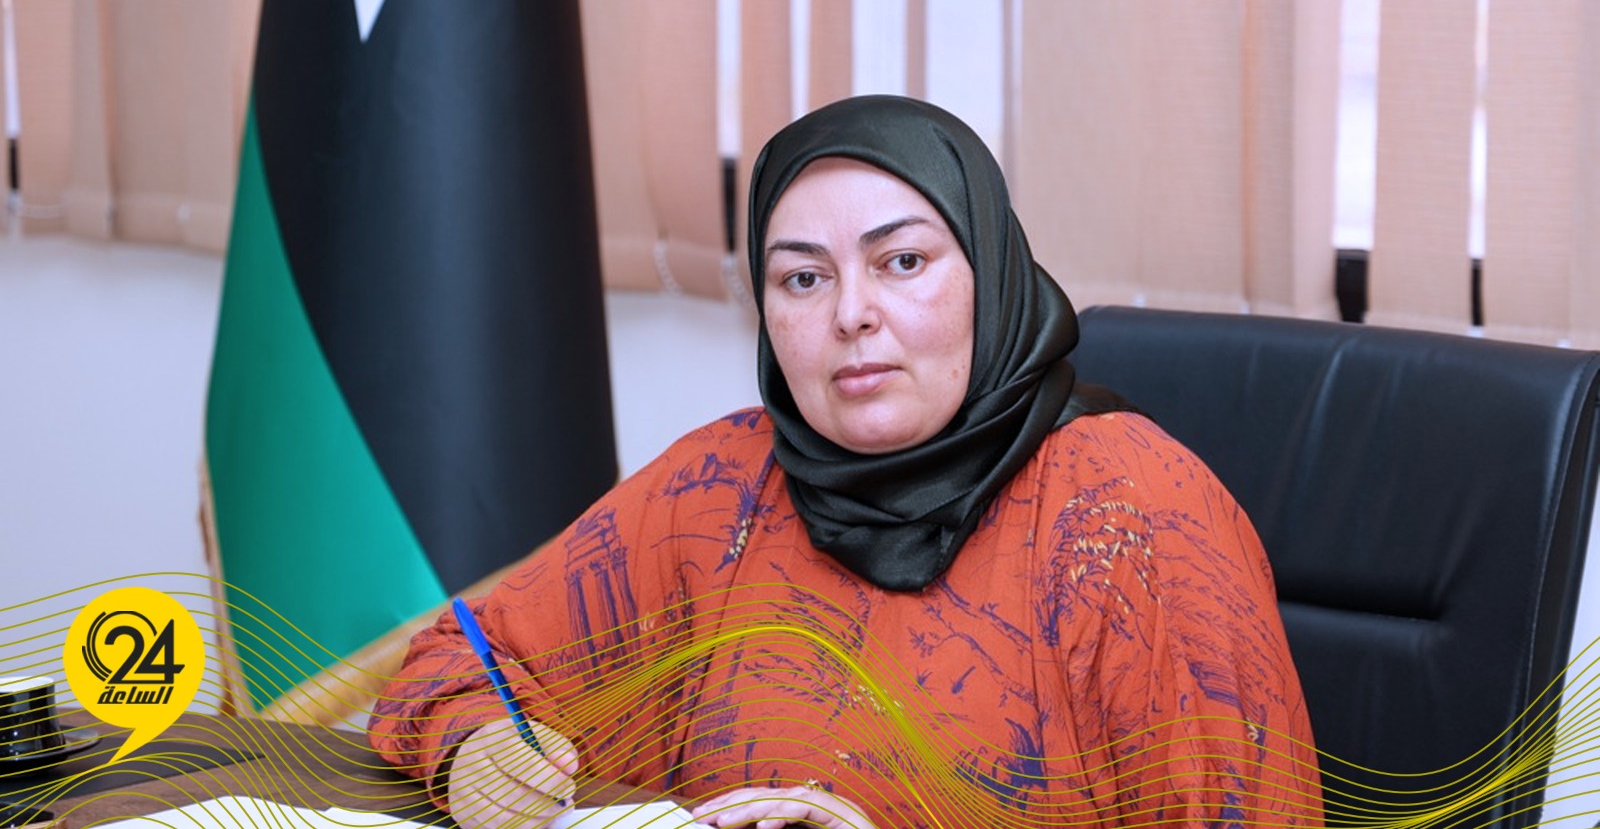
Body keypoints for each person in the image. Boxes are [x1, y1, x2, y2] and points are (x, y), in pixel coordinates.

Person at [369, 95, 1323, 829]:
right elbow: (457, 659)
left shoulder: (1129, 510)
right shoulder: (724, 484)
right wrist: (479, 749)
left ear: (990, 275)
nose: (851, 315)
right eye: (803, 278)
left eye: (902, 262)